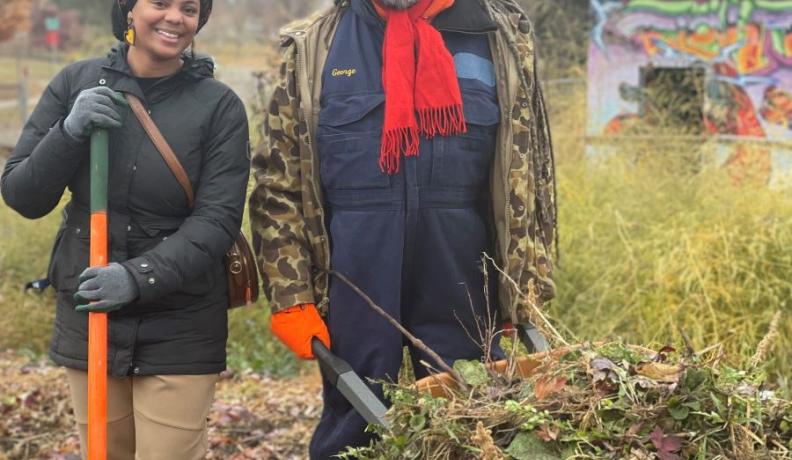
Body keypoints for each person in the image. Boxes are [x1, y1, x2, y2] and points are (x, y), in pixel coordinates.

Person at [249, 0, 556, 457]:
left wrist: (523, 289)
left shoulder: (498, 37)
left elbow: (529, 179)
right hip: (355, 274)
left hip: (462, 271)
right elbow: (279, 182)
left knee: (474, 421)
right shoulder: (316, 46)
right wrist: (291, 295)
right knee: (355, 427)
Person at [1, 0, 250, 458]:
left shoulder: (219, 106)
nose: (175, 17)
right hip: (91, 311)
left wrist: (138, 277)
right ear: (129, 10)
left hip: (180, 321)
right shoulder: (76, 82)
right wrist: (68, 132)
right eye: (160, 3)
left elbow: (217, 221)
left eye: (189, 8)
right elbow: (23, 196)